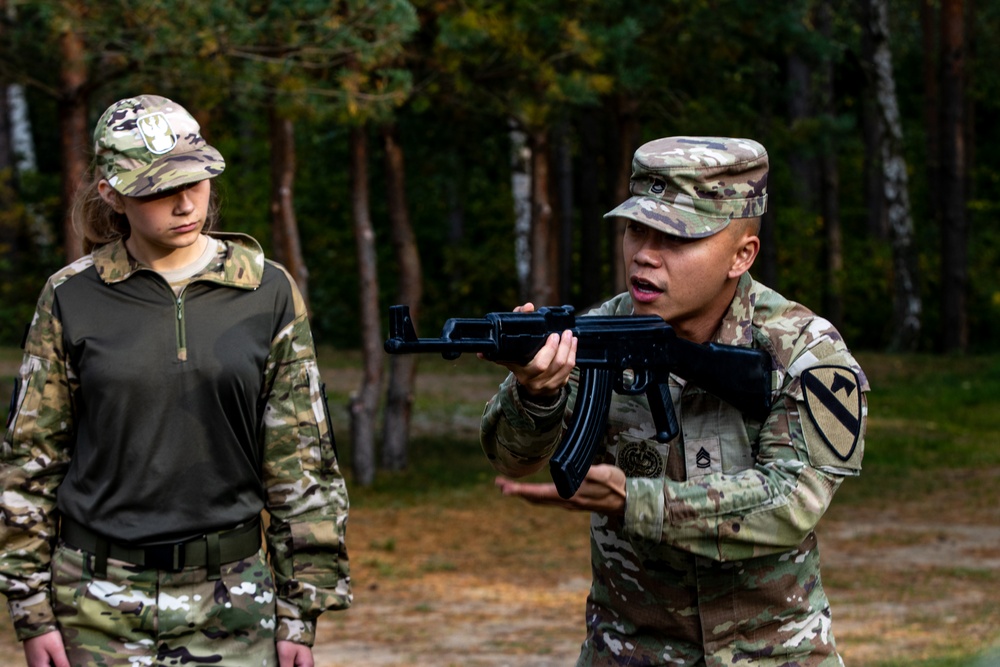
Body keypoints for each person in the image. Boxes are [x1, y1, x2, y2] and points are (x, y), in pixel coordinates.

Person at [480, 136, 868, 666]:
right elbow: (512, 457)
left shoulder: (804, 351)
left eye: (676, 238)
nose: (645, 254)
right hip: (629, 653)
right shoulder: (593, 335)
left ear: (741, 255)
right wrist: (535, 392)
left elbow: (789, 502)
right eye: (637, 228)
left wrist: (634, 500)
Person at [0, 94, 351, 667]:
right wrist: (29, 607)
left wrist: (299, 612)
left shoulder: (266, 292)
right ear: (112, 193)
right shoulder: (72, 296)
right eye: (159, 189)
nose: (187, 203)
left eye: (197, 179)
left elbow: (302, 463)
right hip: (94, 606)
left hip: (234, 605)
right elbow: (31, 459)